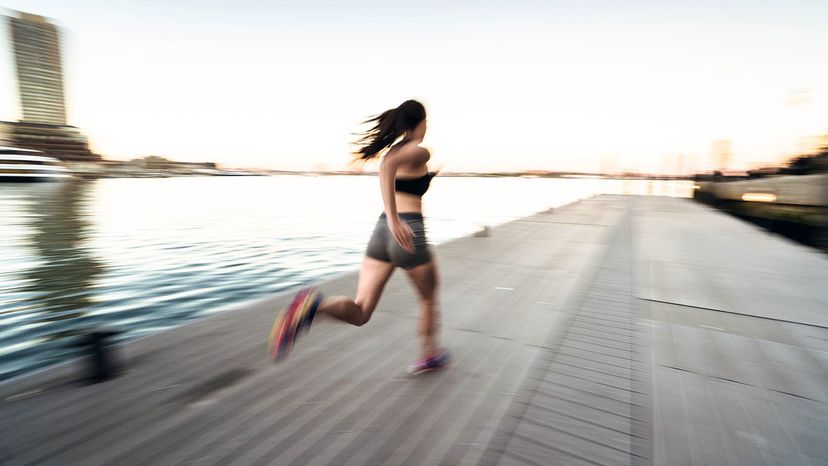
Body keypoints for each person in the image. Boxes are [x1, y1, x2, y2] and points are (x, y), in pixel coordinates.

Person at [269, 99, 449, 375]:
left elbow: (394, 169)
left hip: (380, 236)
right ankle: (430, 355)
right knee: (428, 299)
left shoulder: (398, 151)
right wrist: (395, 218)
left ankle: (315, 307)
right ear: (420, 123)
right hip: (407, 231)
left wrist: (419, 187)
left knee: (361, 310)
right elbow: (388, 168)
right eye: (426, 122)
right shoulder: (419, 151)